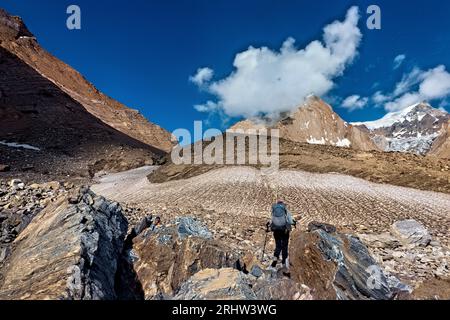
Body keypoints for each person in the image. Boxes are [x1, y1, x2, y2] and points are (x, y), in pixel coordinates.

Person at [266, 200, 296, 268]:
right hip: (284, 230)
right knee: (285, 245)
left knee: (278, 245)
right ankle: (284, 261)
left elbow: (271, 220)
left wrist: (269, 226)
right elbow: (290, 221)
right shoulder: (285, 210)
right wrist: (294, 223)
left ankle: (275, 259)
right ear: (283, 204)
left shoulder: (274, 210)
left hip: (276, 230)